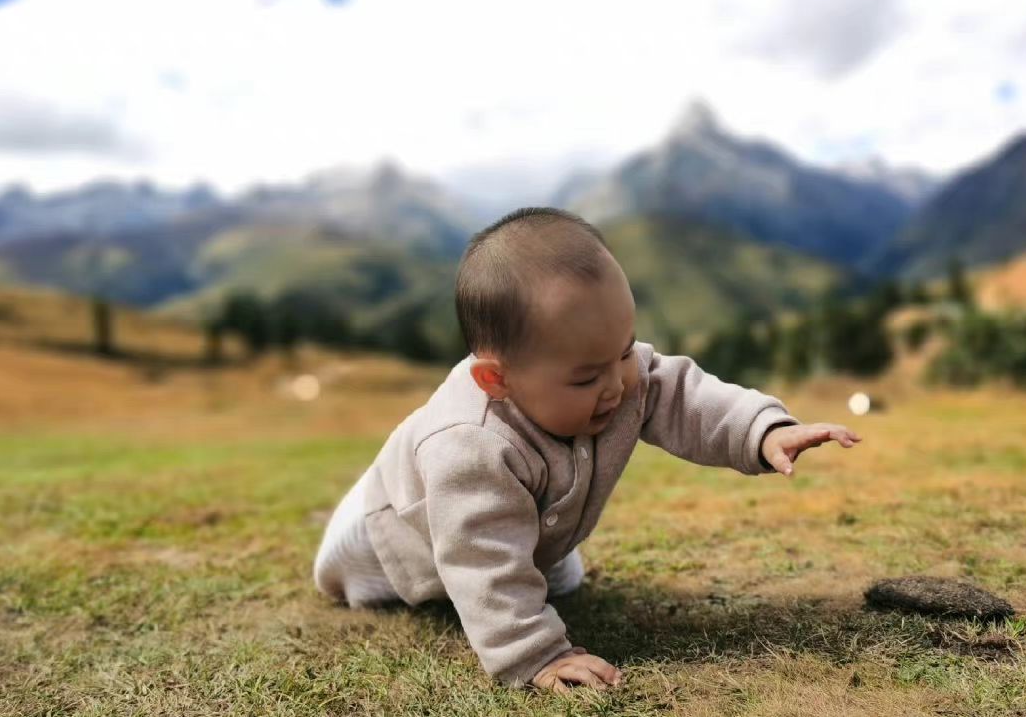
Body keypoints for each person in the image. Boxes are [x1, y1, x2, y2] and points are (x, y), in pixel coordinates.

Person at [313, 207, 861, 691]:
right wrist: (537, 655)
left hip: (511, 519)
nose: (618, 386)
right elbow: (478, 556)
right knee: (375, 583)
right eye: (584, 379)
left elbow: (684, 395)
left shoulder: (618, 376)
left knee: (551, 577)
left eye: (623, 353)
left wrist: (762, 431)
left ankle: (532, 562)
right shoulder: (468, 445)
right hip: (392, 530)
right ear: (495, 381)